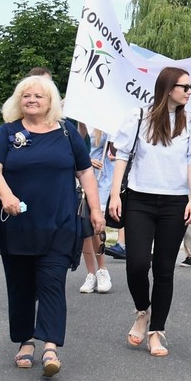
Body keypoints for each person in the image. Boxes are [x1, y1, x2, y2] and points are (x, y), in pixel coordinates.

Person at [0, 74, 100, 379]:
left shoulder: (66, 133)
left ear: (51, 102)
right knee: (21, 285)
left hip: (60, 223)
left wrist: (96, 210)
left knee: (52, 283)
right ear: (18, 100)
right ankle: (25, 340)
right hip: (18, 224)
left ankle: (50, 346)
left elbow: (85, 172)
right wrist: (6, 195)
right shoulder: (7, 133)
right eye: (26, 95)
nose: (31, 100)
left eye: (38, 96)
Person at [107, 66, 191, 357]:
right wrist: (115, 194)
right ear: (168, 88)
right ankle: (142, 311)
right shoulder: (139, 117)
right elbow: (122, 156)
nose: (189, 91)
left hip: (175, 203)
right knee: (137, 264)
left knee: (164, 268)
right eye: (185, 87)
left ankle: (156, 331)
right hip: (140, 200)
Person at [77, 122, 112, 296]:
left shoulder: (103, 121)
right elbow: (72, 151)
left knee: (96, 226)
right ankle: (90, 273)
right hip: (79, 179)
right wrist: (86, 161)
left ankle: (102, 269)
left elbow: (117, 152)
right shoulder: (73, 123)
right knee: (85, 228)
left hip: (100, 179)